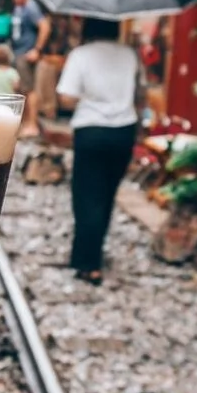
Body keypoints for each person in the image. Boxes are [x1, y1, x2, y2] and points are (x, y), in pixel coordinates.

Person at [56, 18, 143, 286]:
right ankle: (90, 253)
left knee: (87, 196)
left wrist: (90, 98)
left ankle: (88, 263)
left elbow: (65, 97)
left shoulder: (80, 55)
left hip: (91, 131)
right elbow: (140, 95)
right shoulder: (130, 54)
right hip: (123, 131)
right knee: (106, 195)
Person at [8, 0, 52, 138]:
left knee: (29, 89)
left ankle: (32, 124)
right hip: (18, 52)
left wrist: (37, 49)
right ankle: (26, 122)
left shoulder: (30, 7)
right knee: (21, 89)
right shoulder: (19, 7)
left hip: (27, 52)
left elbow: (45, 26)